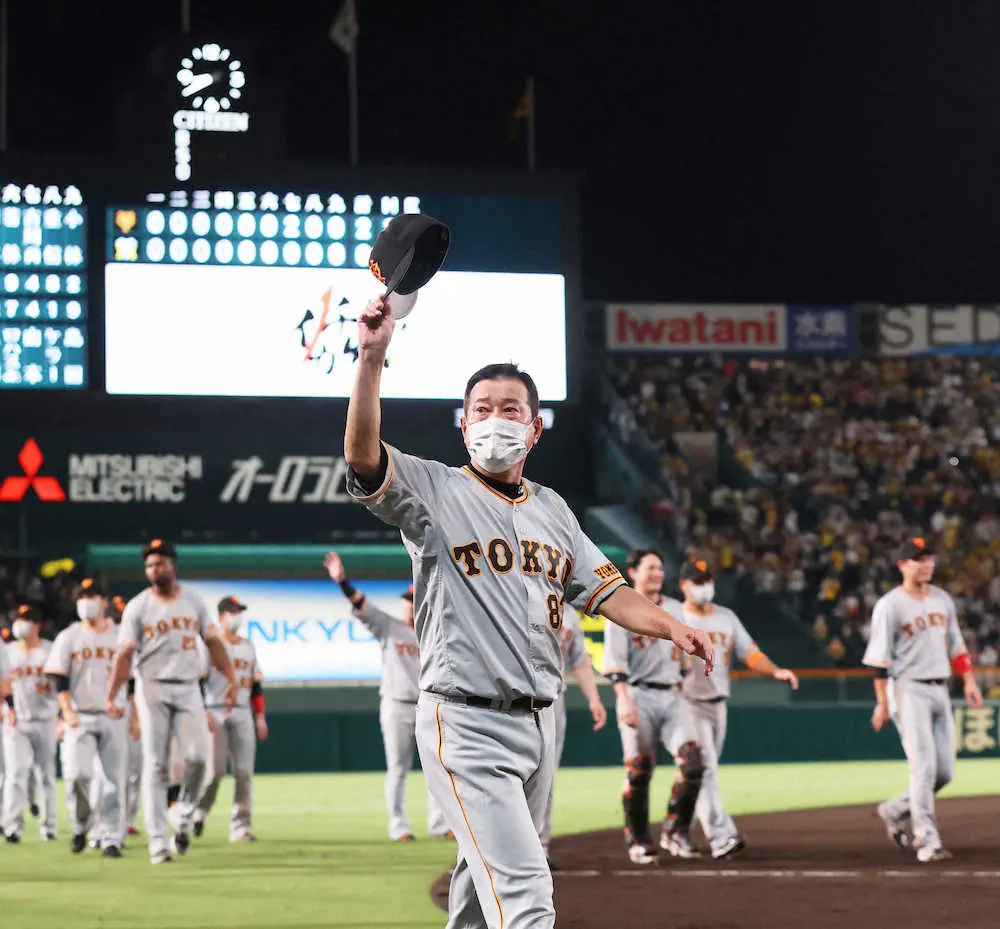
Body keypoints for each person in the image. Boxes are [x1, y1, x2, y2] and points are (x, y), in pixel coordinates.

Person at [343, 296, 714, 929]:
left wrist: (671, 624)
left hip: (538, 723)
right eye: (482, 409)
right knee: (526, 894)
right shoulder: (434, 490)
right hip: (464, 720)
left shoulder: (553, 510)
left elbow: (608, 591)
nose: (495, 419)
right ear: (463, 424)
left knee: (477, 896)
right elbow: (362, 457)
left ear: (535, 428)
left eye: (510, 409)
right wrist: (371, 359)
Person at [107, 539, 239, 864]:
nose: (154, 569)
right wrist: (113, 693)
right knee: (156, 764)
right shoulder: (138, 606)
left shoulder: (192, 600)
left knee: (198, 759)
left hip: (189, 687)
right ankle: (157, 842)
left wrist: (231, 678)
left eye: (160, 563)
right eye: (150, 565)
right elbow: (124, 654)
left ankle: (183, 814)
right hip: (151, 687)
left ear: (173, 566)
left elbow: (213, 642)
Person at [864, 536, 983, 862]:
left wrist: (969, 680)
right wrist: (883, 703)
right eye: (919, 559)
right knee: (924, 769)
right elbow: (879, 662)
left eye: (929, 558)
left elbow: (956, 645)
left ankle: (895, 809)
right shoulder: (890, 605)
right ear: (903, 565)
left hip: (939, 687)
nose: (927, 564)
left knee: (944, 773)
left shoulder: (942, 599)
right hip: (907, 689)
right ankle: (927, 841)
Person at [672, 558, 799, 859]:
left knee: (696, 773)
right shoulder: (675, 616)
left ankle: (676, 830)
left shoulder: (726, 617)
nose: (705, 586)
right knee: (705, 768)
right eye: (697, 581)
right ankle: (721, 837)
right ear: (683, 585)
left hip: (718, 704)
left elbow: (750, 653)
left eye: (707, 579)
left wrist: (775, 671)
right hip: (686, 703)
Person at [323, 552, 451, 842]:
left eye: (415, 599)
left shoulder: (436, 633)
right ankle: (399, 826)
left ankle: (440, 824)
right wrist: (342, 582)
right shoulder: (389, 626)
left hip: (428, 706)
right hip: (396, 705)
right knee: (398, 768)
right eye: (408, 600)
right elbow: (360, 603)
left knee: (438, 767)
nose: (411, 604)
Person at [604, 549, 706, 864]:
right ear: (633, 572)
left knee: (693, 763)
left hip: (673, 694)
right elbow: (615, 663)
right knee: (639, 771)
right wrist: (624, 701)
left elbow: (685, 657)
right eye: (650, 567)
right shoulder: (621, 608)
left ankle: (676, 832)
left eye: (660, 568)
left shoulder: (675, 608)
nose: (657, 573)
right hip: (638, 694)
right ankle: (638, 840)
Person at [44, 578, 138, 857]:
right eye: (82, 597)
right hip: (79, 715)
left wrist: (135, 717)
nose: (87, 602)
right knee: (77, 776)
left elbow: (131, 680)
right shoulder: (69, 636)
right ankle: (81, 825)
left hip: (114, 714)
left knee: (113, 781)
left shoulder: (120, 636)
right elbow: (58, 678)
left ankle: (111, 838)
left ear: (104, 601)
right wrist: (66, 711)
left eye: (92, 596)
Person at [193, 596, 268, 842]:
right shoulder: (209, 645)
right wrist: (201, 711)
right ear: (221, 616)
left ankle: (240, 827)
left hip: (242, 711)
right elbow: (197, 681)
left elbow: (256, 685)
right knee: (214, 772)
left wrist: (260, 716)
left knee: (244, 773)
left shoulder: (248, 646)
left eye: (238, 612)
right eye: (232, 612)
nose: (236, 617)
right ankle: (199, 812)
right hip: (215, 710)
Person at [540, 606, 607, 868]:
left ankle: (540, 848)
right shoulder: (514, 593)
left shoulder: (568, 613)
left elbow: (579, 660)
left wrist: (594, 699)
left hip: (553, 700)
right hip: (511, 700)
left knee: (545, 778)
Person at [1, 605, 58, 842]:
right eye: (19, 618)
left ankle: (49, 826)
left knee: (46, 775)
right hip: (16, 721)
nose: (20, 623)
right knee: (16, 773)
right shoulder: (7, 651)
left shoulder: (50, 650)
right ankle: (12, 826)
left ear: (37, 625)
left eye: (26, 619)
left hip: (45, 719)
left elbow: (60, 683)